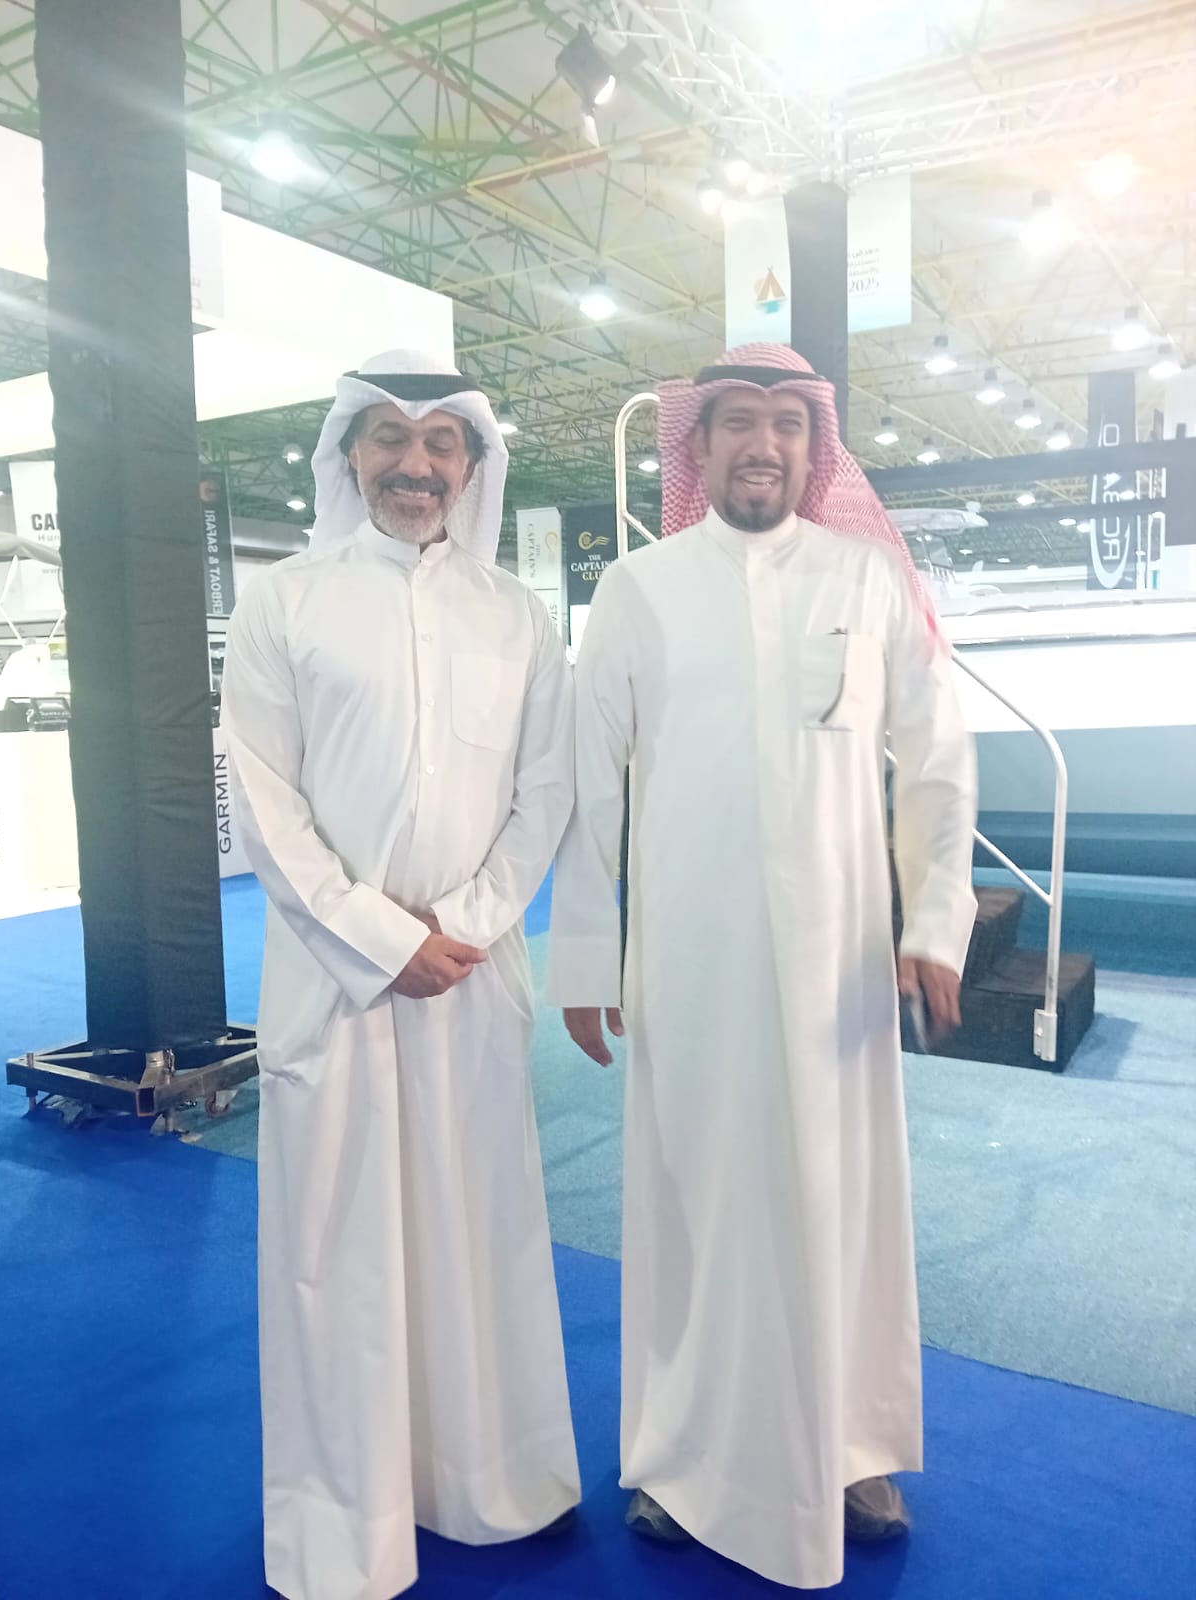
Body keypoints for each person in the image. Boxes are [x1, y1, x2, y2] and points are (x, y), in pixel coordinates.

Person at [547, 341, 977, 1590]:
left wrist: (933, 921)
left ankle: (850, 1446)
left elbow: (937, 758)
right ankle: (682, 1456)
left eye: (788, 424)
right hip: (691, 962)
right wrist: (586, 956)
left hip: (839, 968)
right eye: (739, 421)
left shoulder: (867, 578)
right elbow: (588, 785)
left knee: (843, 1206)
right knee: (698, 1204)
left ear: (813, 446)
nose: (763, 445)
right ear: (698, 443)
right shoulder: (637, 587)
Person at [221, 350, 580, 1600]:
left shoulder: (518, 617)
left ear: (472, 466)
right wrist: (384, 938)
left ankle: (487, 1485)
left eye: (440, 442)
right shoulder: (284, 602)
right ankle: (345, 1529)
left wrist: (461, 927)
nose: (415, 464)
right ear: (348, 454)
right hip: (334, 986)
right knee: (336, 1257)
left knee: (478, 1235)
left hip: (473, 979)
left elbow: (547, 793)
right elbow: (264, 806)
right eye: (388, 437)